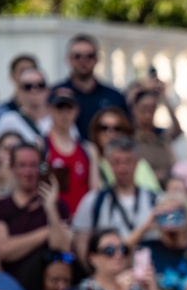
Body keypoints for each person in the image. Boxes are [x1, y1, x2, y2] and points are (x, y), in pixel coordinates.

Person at [0, 143, 72, 282]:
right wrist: (46, 232)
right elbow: (2, 249)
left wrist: (50, 208)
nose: (28, 171)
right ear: (12, 168)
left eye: (33, 165)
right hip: (13, 284)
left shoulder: (58, 206)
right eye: (22, 165)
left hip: (46, 289)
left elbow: (62, 247)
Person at [72, 137, 159, 267]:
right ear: (108, 164)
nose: (122, 168)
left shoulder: (155, 200)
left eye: (128, 161)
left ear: (137, 163)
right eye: (116, 162)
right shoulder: (93, 201)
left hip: (147, 273)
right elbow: (81, 243)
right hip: (108, 276)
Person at [53, 34, 130, 140]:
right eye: (78, 56)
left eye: (89, 56)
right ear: (69, 59)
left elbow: (126, 133)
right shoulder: (55, 95)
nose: (83, 61)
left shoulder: (114, 97)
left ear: (97, 59)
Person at [44, 87, 99, 215]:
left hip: (83, 223)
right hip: (55, 221)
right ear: (49, 109)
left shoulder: (89, 150)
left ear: (76, 111)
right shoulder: (42, 146)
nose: (64, 114)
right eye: (59, 108)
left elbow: (94, 190)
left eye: (69, 108)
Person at [89, 106, 161, 192]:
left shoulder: (139, 164)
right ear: (95, 132)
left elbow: (154, 195)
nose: (110, 133)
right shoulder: (87, 160)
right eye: (104, 128)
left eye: (117, 128)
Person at [129, 86, 182, 184]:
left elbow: (177, 130)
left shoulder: (161, 136)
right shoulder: (130, 139)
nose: (148, 114)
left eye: (151, 109)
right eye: (144, 109)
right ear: (135, 110)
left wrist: (164, 98)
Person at [0, 67, 51, 149]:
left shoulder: (60, 121)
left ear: (47, 90)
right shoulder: (8, 120)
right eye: (28, 86)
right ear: (19, 91)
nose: (34, 90)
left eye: (40, 85)